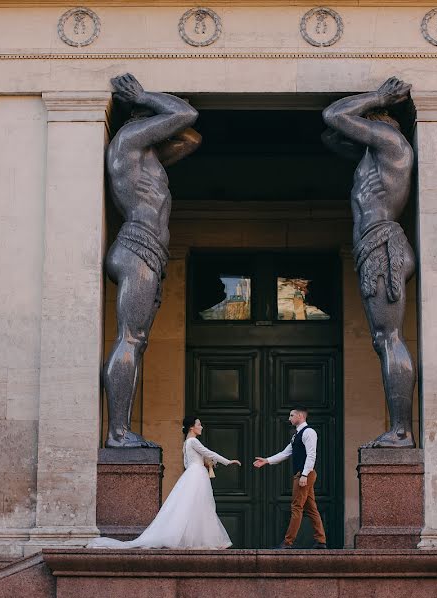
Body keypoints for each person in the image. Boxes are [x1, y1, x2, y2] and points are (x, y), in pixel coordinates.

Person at [103, 73, 201, 448]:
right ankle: (118, 432)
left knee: (135, 341)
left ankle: (120, 430)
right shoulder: (128, 140)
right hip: (137, 246)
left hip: (148, 250)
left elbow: (191, 138)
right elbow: (185, 114)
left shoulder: (146, 157)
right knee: (131, 338)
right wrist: (145, 95)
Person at [322, 77, 417, 448]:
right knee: (383, 340)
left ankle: (402, 431)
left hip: (383, 244)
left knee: (388, 337)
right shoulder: (374, 158)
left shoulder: (392, 143)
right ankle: (400, 428)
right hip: (372, 245)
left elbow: (334, 116)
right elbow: (332, 137)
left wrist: (377, 97)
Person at [88, 417, 241, 549]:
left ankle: (200, 540)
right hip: (197, 476)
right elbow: (208, 452)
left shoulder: (187, 442)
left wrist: (204, 464)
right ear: (191, 427)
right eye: (199, 424)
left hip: (193, 474)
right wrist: (227, 461)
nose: (201, 427)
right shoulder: (193, 441)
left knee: (194, 507)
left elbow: (189, 463)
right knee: (202, 506)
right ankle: (208, 540)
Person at [254, 407, 327, 549]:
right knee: (311, 509)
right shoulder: (296, 435)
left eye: (291, 415)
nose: (289, 418)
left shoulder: (309, 432)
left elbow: (311, 455)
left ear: (300, 416)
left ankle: (288, 542)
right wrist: (267, 460)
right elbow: (285, 453)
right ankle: (321, 541)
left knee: (296, 507)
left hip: (304, 474)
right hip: (302, 474)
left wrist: (304, 474)